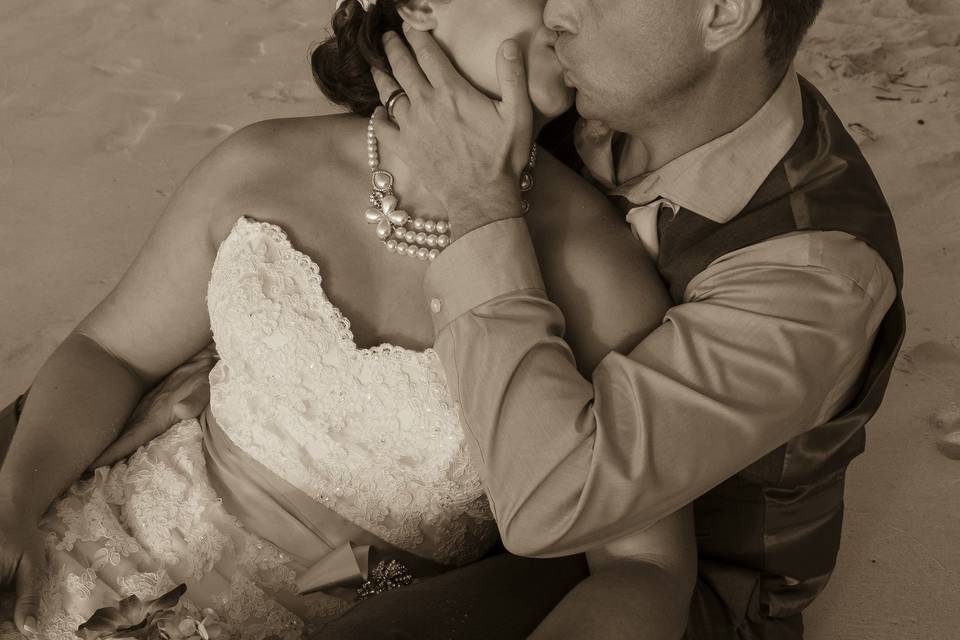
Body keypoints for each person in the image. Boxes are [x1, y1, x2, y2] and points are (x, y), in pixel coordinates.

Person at [0, 0, 696, 638]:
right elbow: (111, 351)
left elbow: (646, 567)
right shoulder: (265, 163)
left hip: (367, 616)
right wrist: (15, 503)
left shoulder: (598, 273)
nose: (571, 10)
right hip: (102, 544)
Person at [338, 0, 904, 637]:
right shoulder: (611, 87)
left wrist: (480, 202)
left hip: (657, 590)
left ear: (722, 13)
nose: (554, 10)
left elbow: (557, 502)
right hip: (466, 506)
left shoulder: (813, 280)